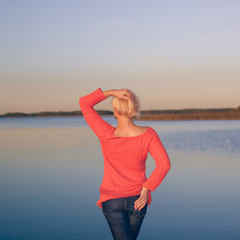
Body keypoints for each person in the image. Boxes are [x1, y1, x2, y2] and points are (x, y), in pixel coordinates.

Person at [79, 88, 171, 240]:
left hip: (112, 200)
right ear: (134, 109)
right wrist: (147, 188)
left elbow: (84, 103)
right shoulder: (149, 134)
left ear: (115, 111)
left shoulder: (105, 133)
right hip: (138, 199)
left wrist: (112, 92)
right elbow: (164, 165)